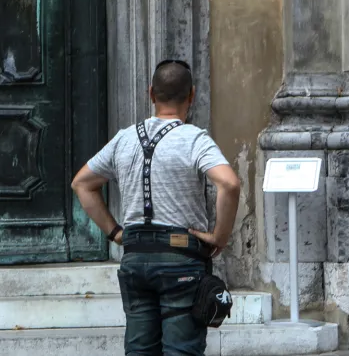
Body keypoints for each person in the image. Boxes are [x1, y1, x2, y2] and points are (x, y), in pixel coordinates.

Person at [72, 59, 241, 356]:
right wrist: (219, 237)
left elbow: (82, 184)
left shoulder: (124, 139)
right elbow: (229, 184)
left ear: (151, 94)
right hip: (181, 259)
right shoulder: (194, 139)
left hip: (136, 258)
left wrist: (115, 233)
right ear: (191, 95)